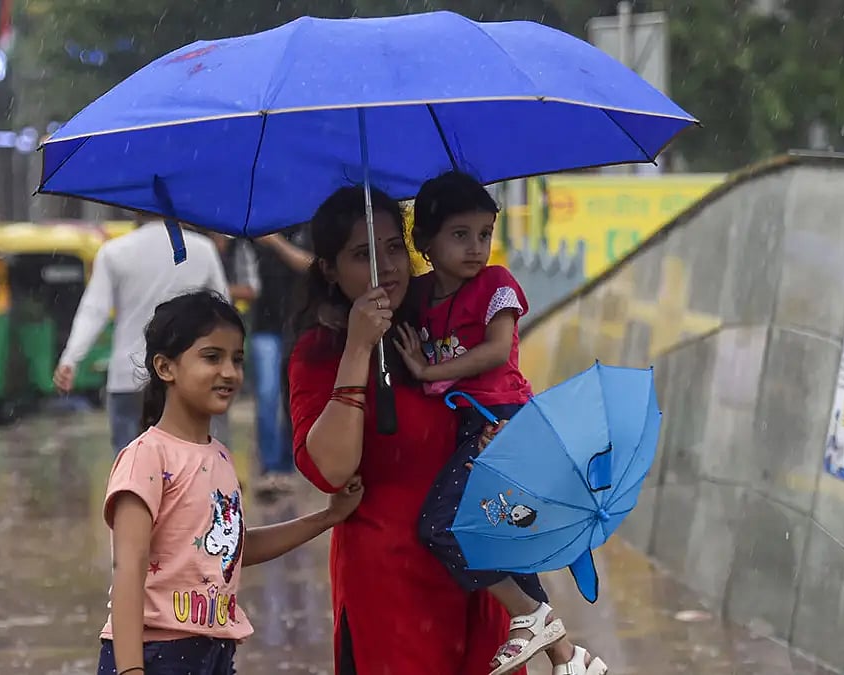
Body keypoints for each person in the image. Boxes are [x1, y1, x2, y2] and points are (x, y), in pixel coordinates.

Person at [287, 185, 519, 674]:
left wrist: (496, 437)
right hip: (388, 583)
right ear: (329, 269)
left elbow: (495, 395)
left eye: (394, 248)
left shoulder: (441, 323)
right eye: (362, 255)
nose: (387, 267)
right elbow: (330, 469)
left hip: (473, 560)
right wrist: (357, 347)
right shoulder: (319, 352)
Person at [392, 171, 608, 675]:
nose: (476, 248)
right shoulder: (420, 297)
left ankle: (530, 616)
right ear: (424, 241)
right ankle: (568, 658)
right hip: (470, 428)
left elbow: (493, 352)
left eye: (484, 234)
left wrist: (429, 370)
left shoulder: (496, 284)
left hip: (504, 422)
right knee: (497, 535)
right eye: (460, 235)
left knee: (440, 525)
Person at [98, 289, 363, 675]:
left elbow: (230, 550)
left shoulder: (220, 457)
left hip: (215, 654)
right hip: (155, 656)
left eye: (237, 360)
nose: (229, 372)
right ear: (165, 367)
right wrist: (131, 671)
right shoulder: (147, 457)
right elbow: (129, 569)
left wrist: (326, 518)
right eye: (211, 357)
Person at [54, 215, 232, 454]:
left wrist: (70, 359)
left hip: (129, 377)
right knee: (196, 466)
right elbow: (223, 313)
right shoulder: (202, 250)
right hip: (188, 376)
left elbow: (94, 310)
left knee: (131, 469)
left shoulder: (114, 252)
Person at [249, 228, 313, 497]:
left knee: (292, 399)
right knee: (266, 397)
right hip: (264, 328)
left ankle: (286, 466)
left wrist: (275, 242)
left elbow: (311, 265)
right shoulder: (253, 231)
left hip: (297, 327)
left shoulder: (304, 228)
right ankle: (269, 466)